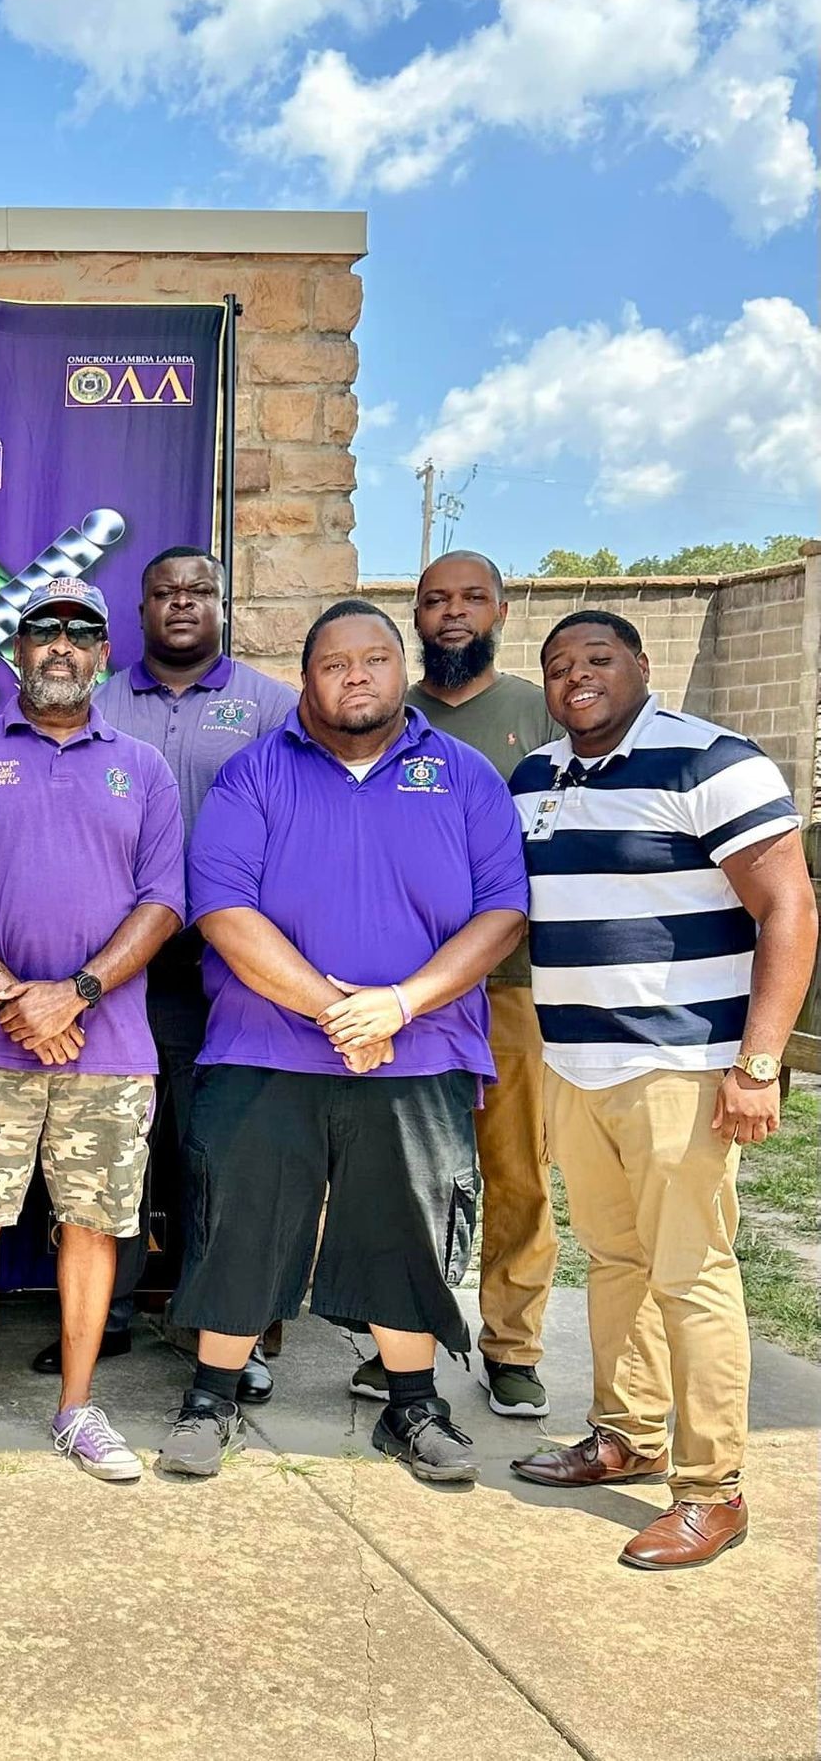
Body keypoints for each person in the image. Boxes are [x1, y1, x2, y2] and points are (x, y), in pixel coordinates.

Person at [159, 599, 527, 1487]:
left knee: (405, 1225)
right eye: (334, 662)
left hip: (421, 1050)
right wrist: (339, 1011)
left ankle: (413, 1407)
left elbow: (502, 912)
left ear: (401, 671)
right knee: (243, 1221)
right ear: (306, 677)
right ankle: (211, 1398)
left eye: (374, 659)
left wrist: (397, 1007)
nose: (355, 675)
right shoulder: (255, 774)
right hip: (266, 1049)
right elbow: (223, 910)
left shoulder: (467, 775)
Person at [508, 611, 815, 1569]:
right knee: (615, 1262)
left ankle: (710, 1489)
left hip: (681, 1065)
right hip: (575, 1065)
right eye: (559, 667)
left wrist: (759, 1062)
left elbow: (790, 907)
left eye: (598, 660)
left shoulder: (710, 762)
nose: (577, 678)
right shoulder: (537, 779)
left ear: (642, 666)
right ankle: (625, 1434)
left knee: (692, 1274)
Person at [0, 579, 185, 1486]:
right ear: (14, 650)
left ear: (104, 654)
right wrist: (16, 998)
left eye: (81, 633)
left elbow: (166, 900)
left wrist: (78, 993)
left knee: (94, 1228)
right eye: (43, 631)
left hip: (108, 1047)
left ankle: (77, 1408)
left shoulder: (141, 766)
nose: (61, 646)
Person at [77, 542, 295, 1396]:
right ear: (138, 614)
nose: (179, 604)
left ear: (222, 604)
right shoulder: (96, 703)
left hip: (236, 975)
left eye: (197, 591)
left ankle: (226, 1321)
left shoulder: (273, 707)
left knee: (224, 1149)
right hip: (122, 970)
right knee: (119, 1142)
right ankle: (115, 1312)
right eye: (162, 593)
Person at [349, 552, 562, 1418]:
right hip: (389, 993)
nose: (452, 614)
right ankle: (402, 1340)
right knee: (402, 1176)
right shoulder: (378, 719)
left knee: (514, 1172)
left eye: (471, 598)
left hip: (508, 986)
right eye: (435, 600)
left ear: (501, 610)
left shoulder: (541, 713)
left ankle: (513, 1346)